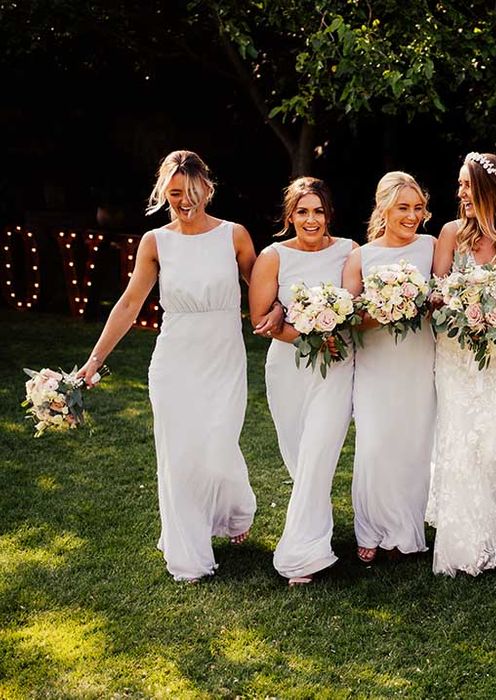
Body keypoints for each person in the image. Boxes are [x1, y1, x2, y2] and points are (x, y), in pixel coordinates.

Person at [79, 150, 259, 581]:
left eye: (193, 191)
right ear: (164, 193)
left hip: (223, 357)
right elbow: (128, 303)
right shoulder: (155, 241)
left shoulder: (234, 236)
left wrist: (308, 317)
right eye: (175, 193)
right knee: (178, 457)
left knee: (217, 449)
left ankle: (236, 510)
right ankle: (188, 555)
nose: (185, 200)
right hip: (174, 360)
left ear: (208, 189)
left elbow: (263, 292)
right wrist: (94, 359)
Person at [426, 151, 496, 576]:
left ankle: (493, 520)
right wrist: (457, 303)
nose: (460, 193)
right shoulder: (451, 233)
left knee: (490, 438)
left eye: (467, 185)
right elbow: (435, 293)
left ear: (489, 187)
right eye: (460, 185)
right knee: (457, 436)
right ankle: (463, 538)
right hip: (453, 353)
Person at [249, 176, 356, 586]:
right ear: (290, 215)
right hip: (289, 368)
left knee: (318, 453)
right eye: (302, 212)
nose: (311, 220)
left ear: (329, 213)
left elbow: (353, 305)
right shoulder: (274, 256)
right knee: (298, 454)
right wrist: (306, 332)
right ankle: (315, 524)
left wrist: (328, 331)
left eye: (318, 211)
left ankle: (300, 554)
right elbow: (260, 319)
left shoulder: (349, 251)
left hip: (336, 363)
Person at [342, 171, 436, 564]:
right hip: (377, 364)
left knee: (414, 445)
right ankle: (371, 528)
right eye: (403, 208)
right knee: (375, 444)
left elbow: (442, 296)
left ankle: (405, 529)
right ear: (384, 208)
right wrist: (386, 310)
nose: (412, 215)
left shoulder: (431, 247)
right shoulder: (361, 256)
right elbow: (348, 316)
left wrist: (423, 303)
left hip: (419, 360)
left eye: (417, 208)